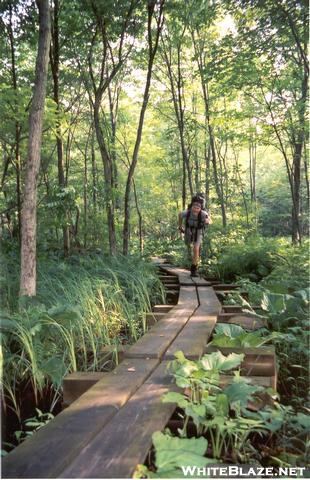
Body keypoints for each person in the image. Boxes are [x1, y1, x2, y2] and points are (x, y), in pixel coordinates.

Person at [178, 194, 211, 277]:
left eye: (198, 207)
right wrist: (180, 226)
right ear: (192, 206)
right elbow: (180, 215)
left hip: (199, 231)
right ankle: (192, 260)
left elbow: (209, 219)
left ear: (200, 208)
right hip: (189, 230)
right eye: (194, 207)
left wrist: (208, 221)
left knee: (196, 248)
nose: (196, 209)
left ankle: (194, 269)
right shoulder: (187, 212)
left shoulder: (203, 214)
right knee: (188, 245)